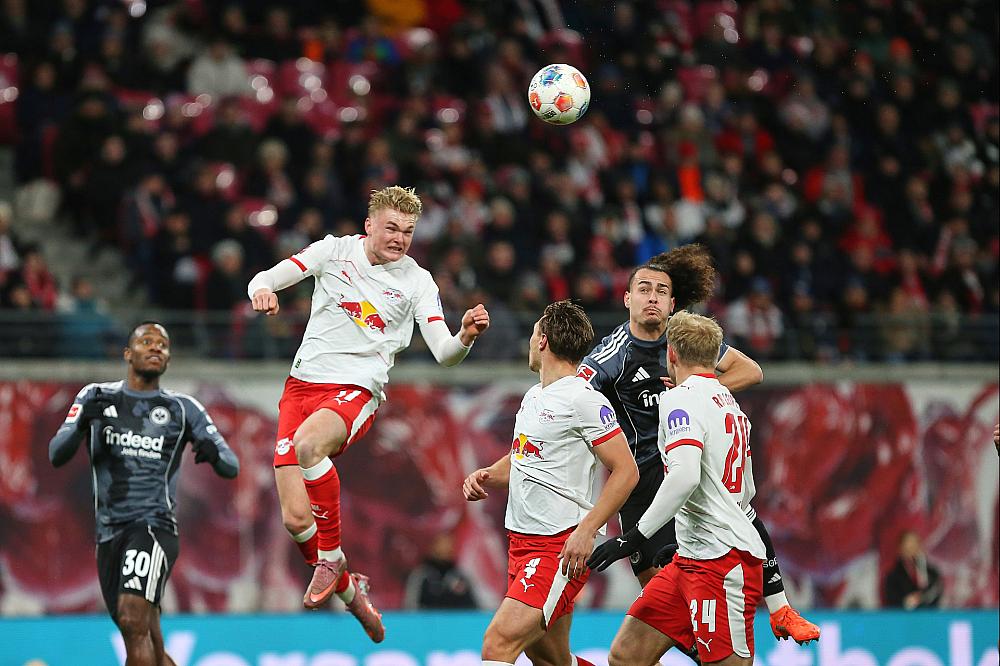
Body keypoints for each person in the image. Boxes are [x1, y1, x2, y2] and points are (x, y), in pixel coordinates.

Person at [247, 185, 490, 641]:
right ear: (369, 225)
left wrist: (466, 336)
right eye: (392, 228)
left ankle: (332, 559)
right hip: (299, 388)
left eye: (408, 231)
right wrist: (262, 291)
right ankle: (348, 589)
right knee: (297, 521)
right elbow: (265, 277)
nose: (399, 238)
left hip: (355, 391)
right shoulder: (332, 251)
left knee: (308, 446)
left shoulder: (418, 282)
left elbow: (444, 353)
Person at [577, 244, 819, 646]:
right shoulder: (608, 360)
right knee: (667, 616)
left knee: (738, 511)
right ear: (627, 298)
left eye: (660, 291)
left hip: (690, 476)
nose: (651, 297)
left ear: (672, 304)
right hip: (643, 486)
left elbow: (751, 370)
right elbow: (572, 403)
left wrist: (700, 389)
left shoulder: (686, 343)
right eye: (643, 289)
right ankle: (754, 625)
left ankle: (778, 610)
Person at [48, 322, 239, 666]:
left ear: (168, 359)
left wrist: (213, 452)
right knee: (144, 634)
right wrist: (79, 427)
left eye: (163, 345)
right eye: (147, 342)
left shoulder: (183, 409)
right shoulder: (96, 396)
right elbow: (56, 455)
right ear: (127, 354)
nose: (155, 349)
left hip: (153, 527)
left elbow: (231, 464)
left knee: (133, 618)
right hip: (109, 534)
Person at [462, 300, 639, 666]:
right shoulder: (534, 396)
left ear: (542, 340)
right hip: (521, 544)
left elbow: (626, 470)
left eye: (532, 334)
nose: (529, 342)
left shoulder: (585, 400)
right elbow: (525, 455)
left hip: (558, 548)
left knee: (498, 644)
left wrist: (588, 531)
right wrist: (488, 475)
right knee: (551, 661)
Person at [588, 311, 765, 666]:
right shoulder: (729, 401)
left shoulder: (678, 400)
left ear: (670, 354)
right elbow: (746, 491)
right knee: (626, 656)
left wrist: (632, 538)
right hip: (691, 557)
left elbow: (684, 477)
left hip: (720, 563)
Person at [403, 532, 477, 609]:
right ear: (432, 547)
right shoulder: (421, 576)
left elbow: (472, 608)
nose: (446, 548)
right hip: (427, 620)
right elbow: (411, 607)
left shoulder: (460, 576)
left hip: (456, 620)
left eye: (449, 544)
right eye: (441, 544)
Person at [884, 531, 943, 609]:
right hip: (902, 616)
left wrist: (921, 598)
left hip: (928, 616)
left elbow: (935, 593)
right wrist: (906, 601)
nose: (911, 551)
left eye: (914, 547)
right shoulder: (893, 575)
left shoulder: (931, 573)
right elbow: (892, 598)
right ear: (900, 549)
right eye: (907, 548)